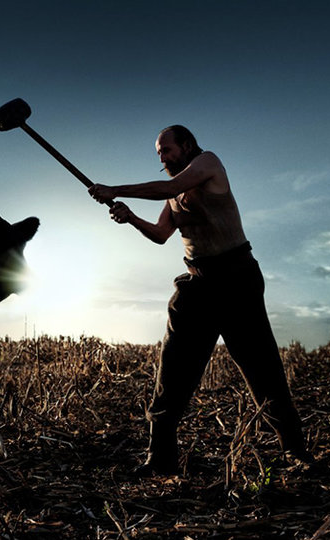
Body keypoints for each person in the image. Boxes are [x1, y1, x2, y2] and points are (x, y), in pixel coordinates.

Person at [88, 125, 312, 476]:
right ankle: (160, 458)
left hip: (237, 279)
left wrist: (114, 189)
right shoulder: (171, 196)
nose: (162, 158)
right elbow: (162, 235)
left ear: (187, 145)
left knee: (261, 368)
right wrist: (130, 217)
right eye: (158, 153)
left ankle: (296, 451)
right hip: (198, 284)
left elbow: (171, 185)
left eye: (167, 150)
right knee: (173, 369)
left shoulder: (208, 163)